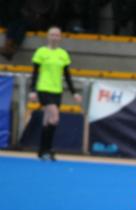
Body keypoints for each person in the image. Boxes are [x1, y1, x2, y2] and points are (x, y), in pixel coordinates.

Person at [28, 26, 82, 160]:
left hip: (57, 90)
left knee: (47, 120)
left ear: (60, 37)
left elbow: (67, 75)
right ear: (47, 36)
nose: (54, 37)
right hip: (44, 89)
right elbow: (34, 73)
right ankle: (48, 149)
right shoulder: (41, 52)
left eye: (57, 35)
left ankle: (42, 151)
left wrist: (74, 92)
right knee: (54, 118)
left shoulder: (63, 54)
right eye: (52, 35)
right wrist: (32, 90)